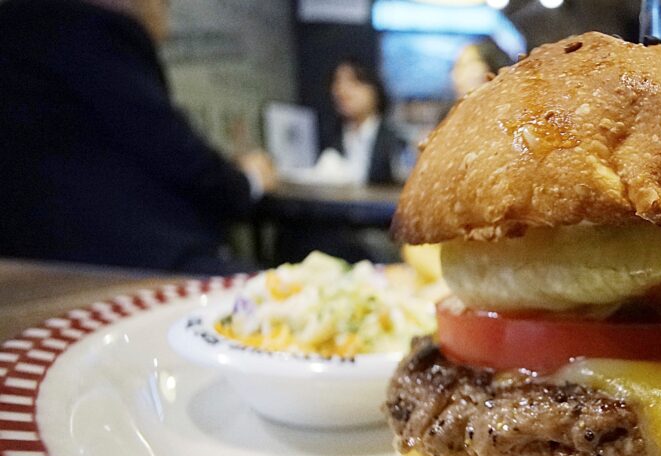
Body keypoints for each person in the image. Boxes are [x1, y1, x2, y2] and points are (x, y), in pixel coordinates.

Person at [0, 0, 277, 274]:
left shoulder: (22, 28)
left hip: (31, 265)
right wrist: (248, 181)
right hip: (126, 265)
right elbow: (178, 154)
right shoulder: (90, 29)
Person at [318, 61, 403, 186]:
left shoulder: (395, 138)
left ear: (374, 89)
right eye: (337, 82)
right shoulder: (329, 134)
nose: (341, 90)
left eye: (353, 82)